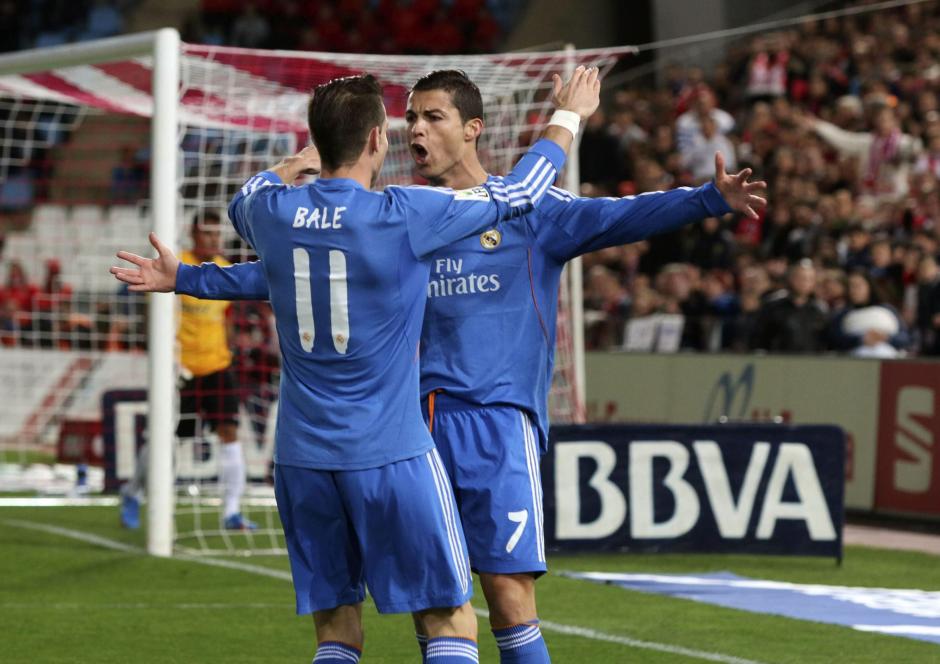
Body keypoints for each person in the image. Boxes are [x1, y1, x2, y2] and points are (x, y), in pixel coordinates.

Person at [113, 69, 764, 663]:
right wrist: (197, 278)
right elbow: (299, 275)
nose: (417, 129)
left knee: (506, 594)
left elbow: (624, 215)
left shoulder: (527, 213)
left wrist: (707, 199)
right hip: (405, 431)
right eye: (410, 118)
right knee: (436, 610)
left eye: (434, 117)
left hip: (489, 421)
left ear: (473, 129)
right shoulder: (403, 214)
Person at [120, 211, 255, 532]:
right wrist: (164, 358)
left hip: (218, 366)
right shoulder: (177, 266)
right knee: (164, 439)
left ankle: (232, 512)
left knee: (230, 434)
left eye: (216, 233)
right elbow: (151, 314)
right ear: (193, 234)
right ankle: (132, 493)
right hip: (181, 371)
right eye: (207, 233)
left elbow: (226, 318)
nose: (214, 239)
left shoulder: (225, 269)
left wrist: (234, 346)